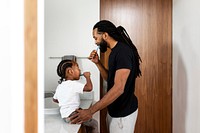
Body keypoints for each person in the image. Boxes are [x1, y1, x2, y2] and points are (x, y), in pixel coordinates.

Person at [70, 20, 142, 133]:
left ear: (105, 35)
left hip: (123, 114)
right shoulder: (114, 52)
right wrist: (97, 62)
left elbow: (119, 88)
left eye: (95, 38)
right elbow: (110, 79)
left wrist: (90, 111)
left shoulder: (122, 52)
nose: (95, 42)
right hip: (114, 111)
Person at [53, 59, 99, 133]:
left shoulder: (60, 86)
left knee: (85, 125)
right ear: (70, 71)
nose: (80, 70)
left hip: (65, 116)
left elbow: (55, 100)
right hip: (73, 114)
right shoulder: (73, 84)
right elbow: (89, 88)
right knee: (94, 124)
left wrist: (64, 100)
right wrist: (87, 77)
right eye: (77, 68)